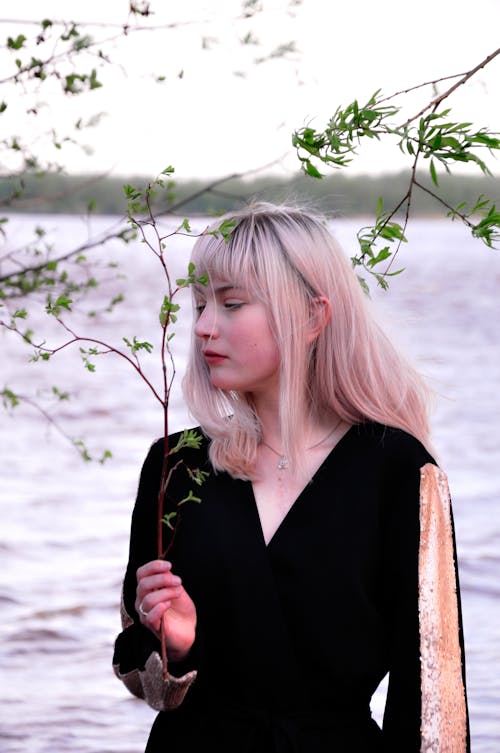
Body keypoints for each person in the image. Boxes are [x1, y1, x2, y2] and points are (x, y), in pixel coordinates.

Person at [113, 202, 470, 752]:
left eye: (232, 303)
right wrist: (177, 645)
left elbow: (431, 697)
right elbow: (148, 680)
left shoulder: (400, 472)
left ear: (310, 316)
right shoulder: (175, 465)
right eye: (201, 303)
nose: (205, 326)